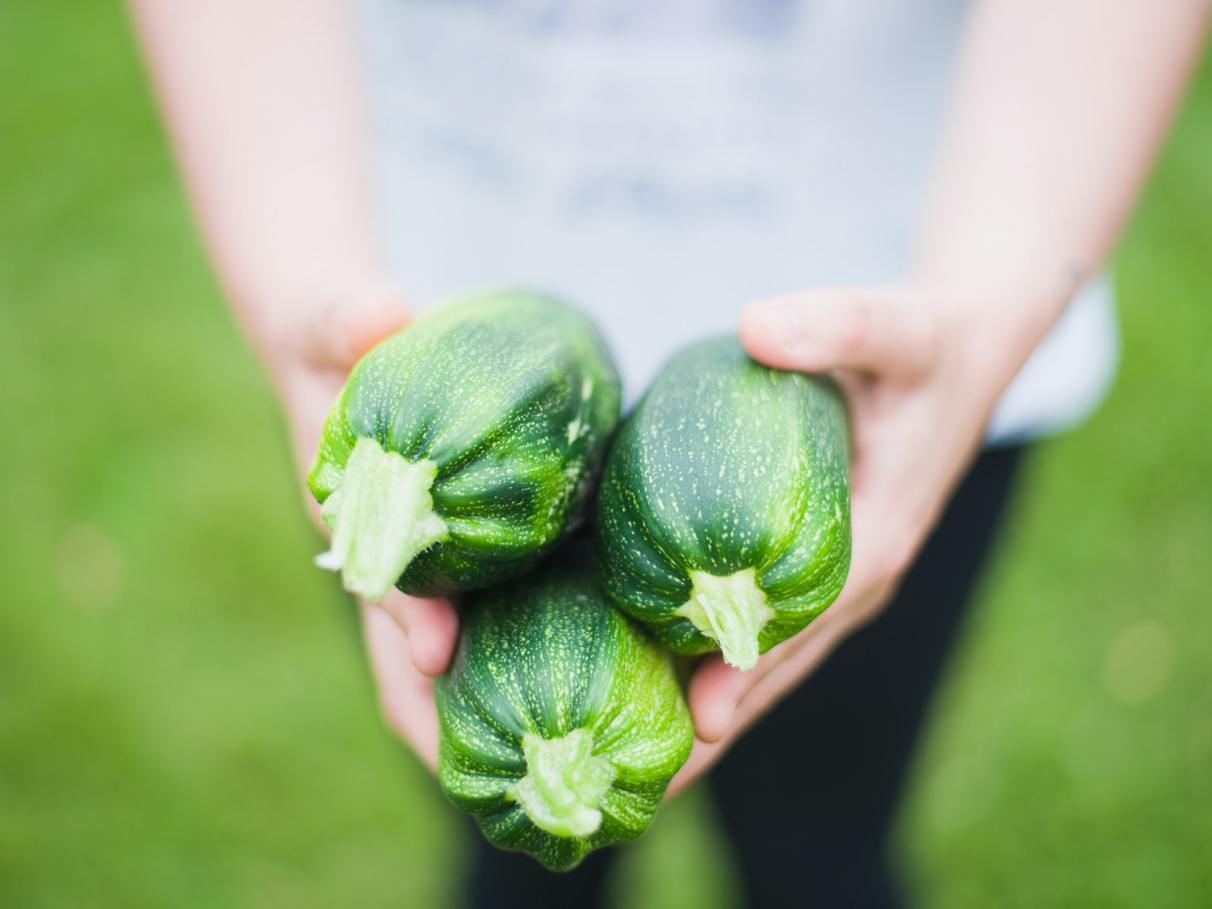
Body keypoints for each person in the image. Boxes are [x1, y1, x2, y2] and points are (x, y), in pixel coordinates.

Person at [129, 1, 1208, 905]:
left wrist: (989, 310)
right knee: (518, 855)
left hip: (914, 327)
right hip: (430, 323)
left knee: (824, 837)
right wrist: (294, 283)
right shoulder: (400, 436)